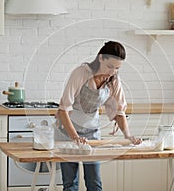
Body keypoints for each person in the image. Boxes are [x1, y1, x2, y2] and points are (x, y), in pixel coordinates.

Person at [55, 41, 142, 191]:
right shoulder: (81, 73)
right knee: (70, 184)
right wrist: (75, 137)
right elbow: (63, 110)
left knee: (94, 183)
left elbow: (119, 111)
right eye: (110, 66)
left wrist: (128, 136)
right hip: (68, 134)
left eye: (117, 68)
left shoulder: (113, 80)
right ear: (100, 58)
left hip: (92, 134)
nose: (112, 72)